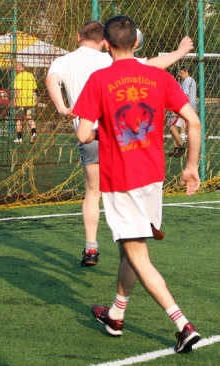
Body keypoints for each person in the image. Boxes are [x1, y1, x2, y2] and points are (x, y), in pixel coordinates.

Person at [74, 15, 201, 353]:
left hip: (122, 180)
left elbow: (84, 133)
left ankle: (182, 325)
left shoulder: (99, 79)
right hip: (152, 177)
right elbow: (194, 121)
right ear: (136, 43)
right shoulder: (157, 75)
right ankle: (116, 315)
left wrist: (105, 130)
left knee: (138, 255)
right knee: (129, 249)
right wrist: (190, 167)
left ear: (106, 44)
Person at [46, 21, 194, 266]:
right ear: (105, 41)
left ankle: (91, 248)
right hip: (120, 136)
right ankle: (145, 225)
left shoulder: (64, 60)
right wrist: (179, 52)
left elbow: (52, 80)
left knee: (93, 192)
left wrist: (63, 108)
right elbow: (152, 65)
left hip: (90, 133)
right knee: (131, 185)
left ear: (77, 37)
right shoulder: (109, 59)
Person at [169, 66, 197, 156]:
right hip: (189, 106)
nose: (180, 75)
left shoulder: (186, 81)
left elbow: (184, 95)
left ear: (186, 72)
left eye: (181, 73)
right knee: (173, 126)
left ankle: (181, 145)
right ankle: (177, 148)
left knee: (173, 126)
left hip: (183, 107)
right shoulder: (192, 80)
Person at [13, 62, 37, 144]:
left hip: (21, 101)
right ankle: (33, 134)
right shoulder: (30, 75)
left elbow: (17, 90)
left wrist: (14, 101)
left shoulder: (18, 77)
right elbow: (34, 88)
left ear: (20, 67)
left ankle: (19, 138)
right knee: (29, 118)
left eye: (16, 67)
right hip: (30, 100)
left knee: (19, 119)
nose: (15, 69)